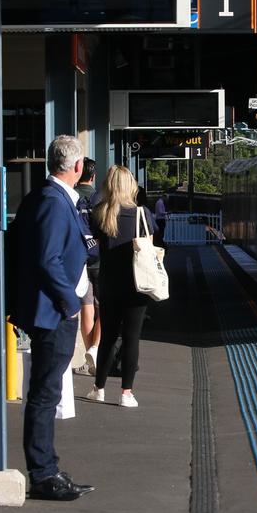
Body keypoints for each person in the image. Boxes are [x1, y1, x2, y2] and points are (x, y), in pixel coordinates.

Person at [11, 135, 95, 501]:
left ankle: (48, 467)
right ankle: (43, 474)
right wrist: (70, 303)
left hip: (52, 309)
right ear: (77, 167)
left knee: (48, 392)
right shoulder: (53, 202)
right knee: (45, 394)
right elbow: (48, 259)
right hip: (54, 312)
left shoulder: (51, 198)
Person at [87, 165, 157, 408]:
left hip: (108, 284)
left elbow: (91, 246)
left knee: (107, 336)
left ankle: (99, 388)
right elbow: (149, 248)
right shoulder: (142, 214)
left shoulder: (99, 213)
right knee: (132, 338)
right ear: (131, 186)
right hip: (137, 285)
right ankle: (126, 393)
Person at [74, 158, 100, 376]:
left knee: (87, 307)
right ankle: (95, 350)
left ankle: (89, 358)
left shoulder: (71, 198)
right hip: (100, 260)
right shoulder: (98, 198)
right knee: (106, 308)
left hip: (80, 261)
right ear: (92, 176)